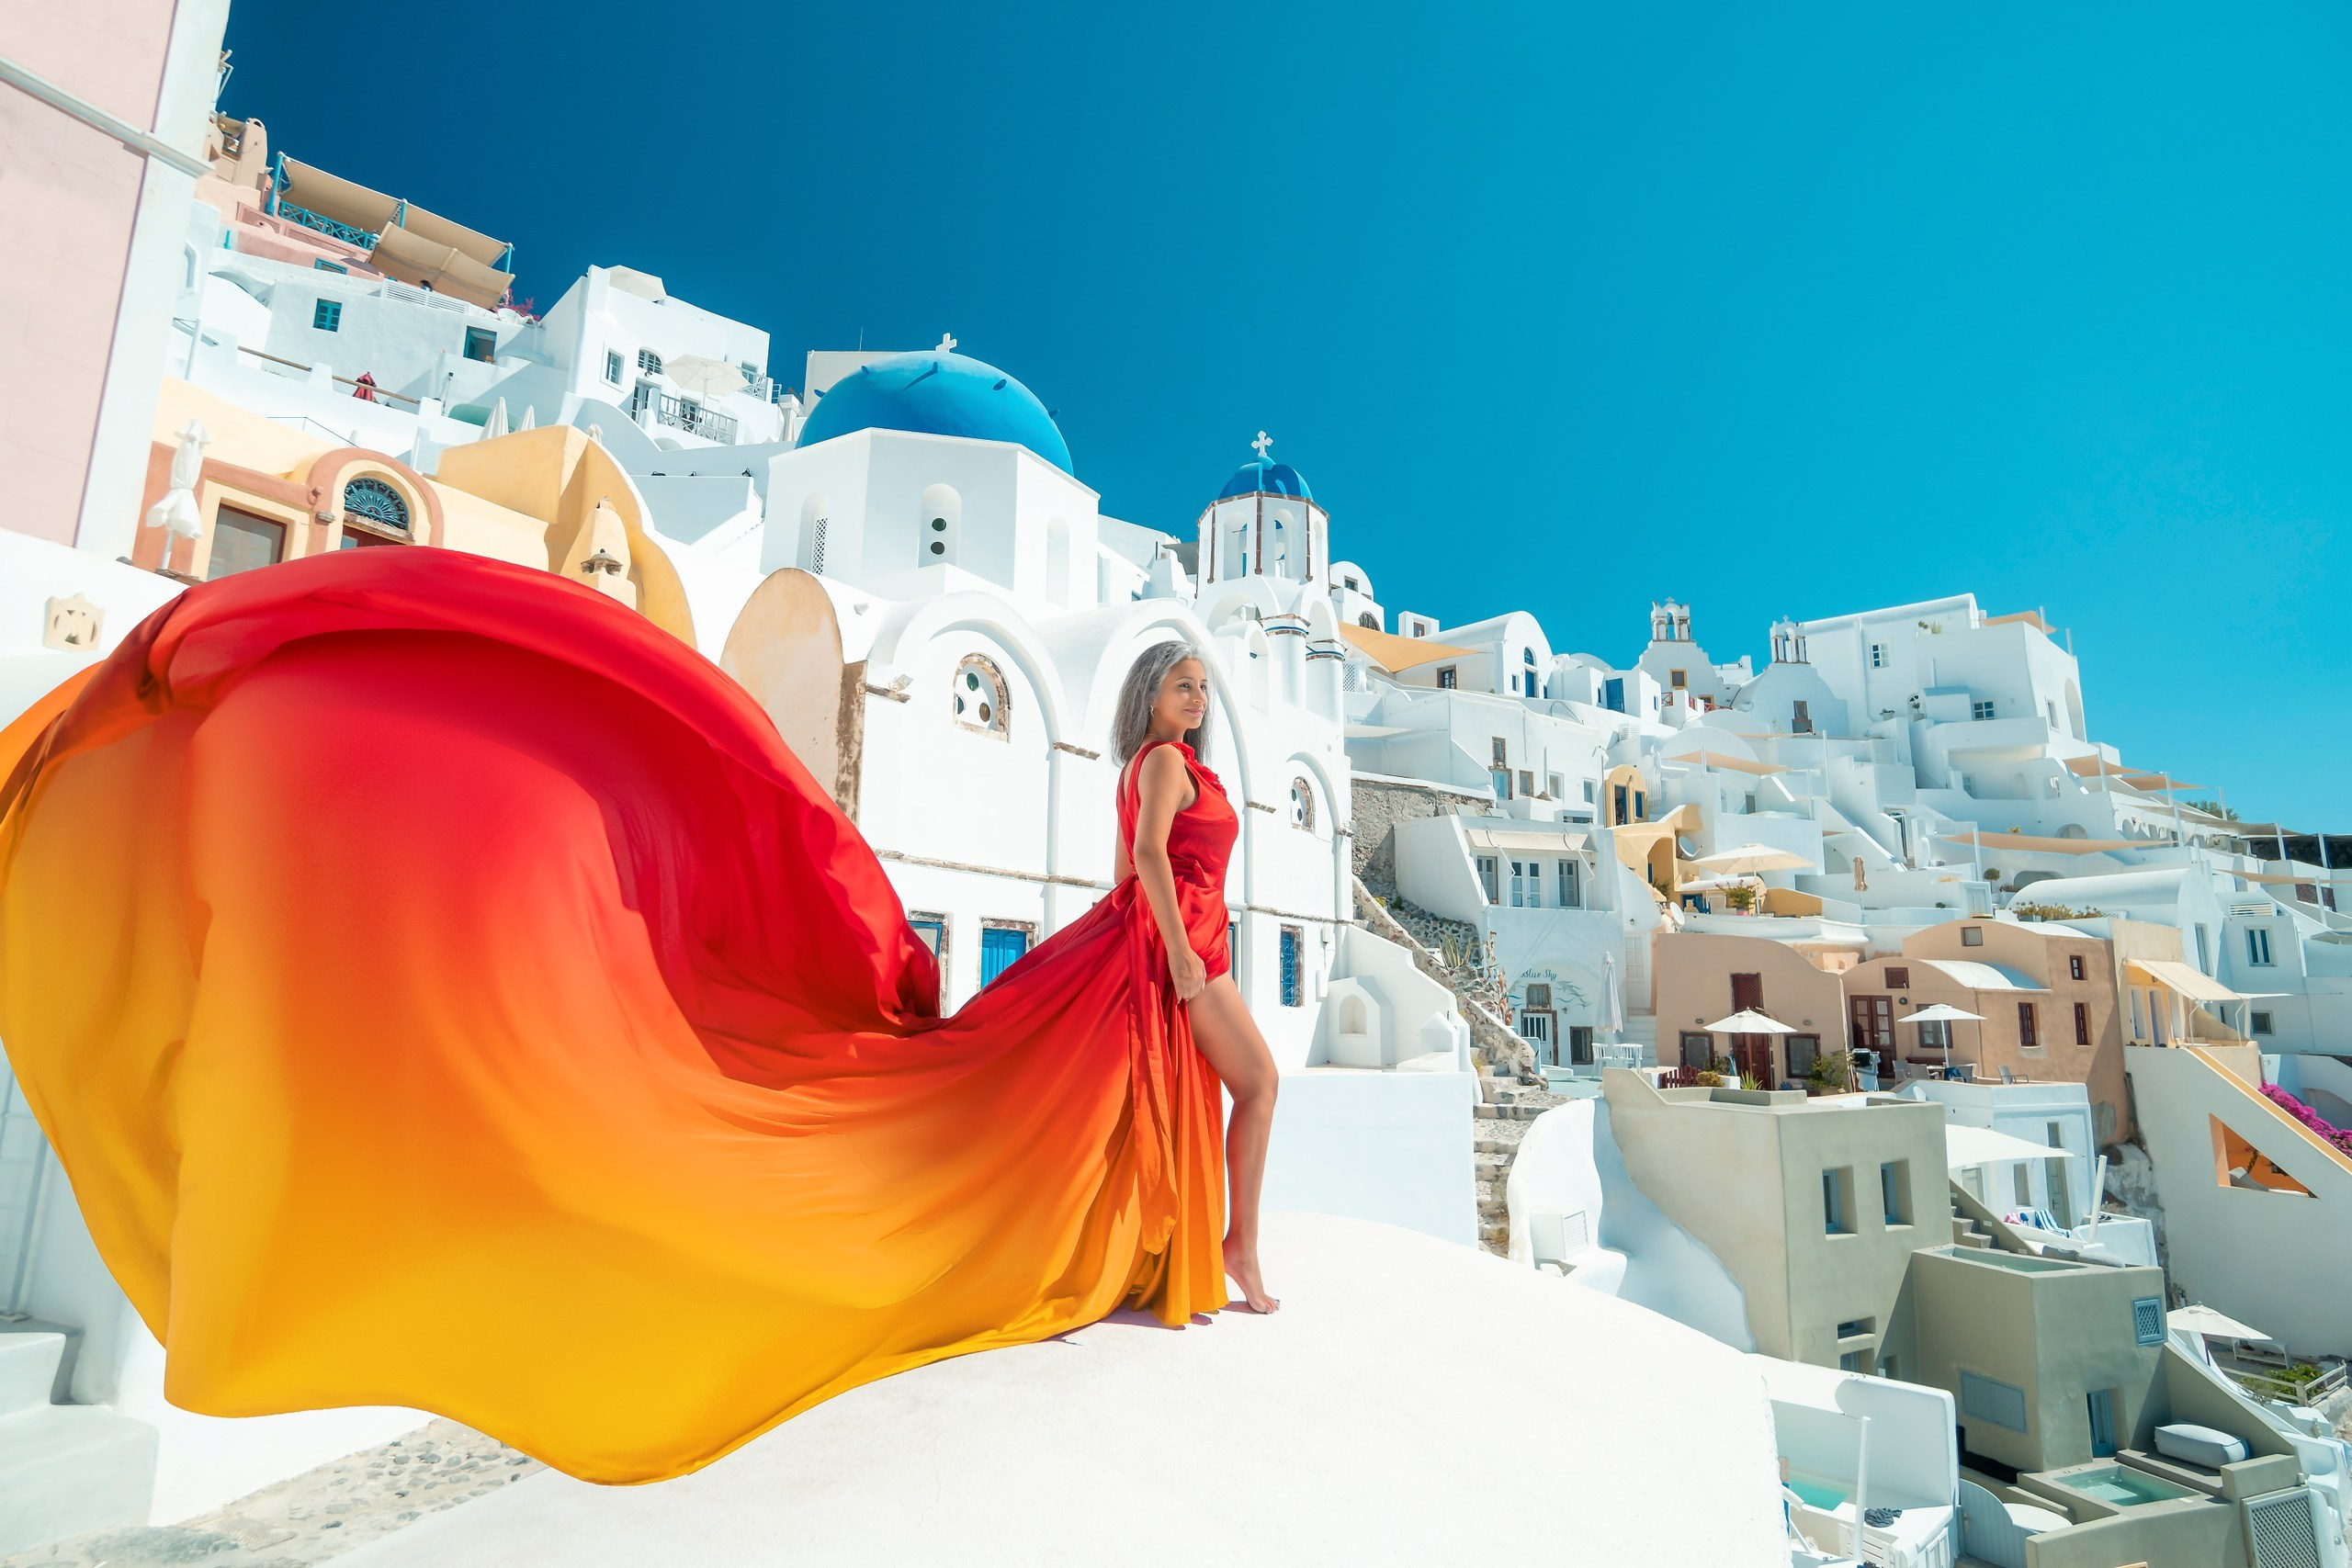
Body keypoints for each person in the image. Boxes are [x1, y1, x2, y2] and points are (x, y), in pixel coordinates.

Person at [0, 547, 1277, 1487]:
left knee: (1196, 1094)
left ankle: (1213, 1253)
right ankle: (1235, 1259)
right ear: (1148, 706)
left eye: (1194, 690)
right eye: (1175, 688)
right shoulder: (1162, 770)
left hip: (1181, 953)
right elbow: (1151, 867)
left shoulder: (1195, 762)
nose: (1189, 701)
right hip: (1170, 950)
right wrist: (1172, 950)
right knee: (1246, 1085)